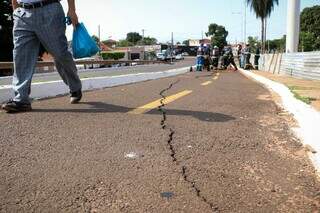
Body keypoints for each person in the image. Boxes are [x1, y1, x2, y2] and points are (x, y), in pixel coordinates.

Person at [2, 0, 82, 113]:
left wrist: (72, 10)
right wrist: (16, 10)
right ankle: (21, 99)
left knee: (60, 53)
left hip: (49, 9)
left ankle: (75, 86)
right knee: (21, 56)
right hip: (22, 13)